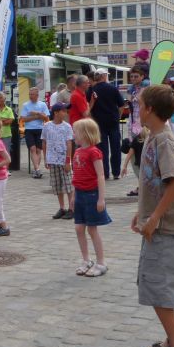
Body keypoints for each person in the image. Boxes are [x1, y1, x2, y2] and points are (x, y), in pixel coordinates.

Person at [132, 84, 174, 347]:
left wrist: (155, 217)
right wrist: (141, 212)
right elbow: (151, 183)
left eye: (140, 103)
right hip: (153, 225)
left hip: (164, 228)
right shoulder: (153, 138)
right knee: (155, 284)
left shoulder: (164, 141)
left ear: (150, 109)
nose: (137, 107)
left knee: (159, 288)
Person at [70, 118, 110, 277]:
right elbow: (76, 175)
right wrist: (73, 195)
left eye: (76, 132)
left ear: (85, 134)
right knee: (79, 228)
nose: (74, 135)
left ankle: (101, 263)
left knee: (92, 229)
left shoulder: (94, 152)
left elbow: (100, 175)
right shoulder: (78, 151)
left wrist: (101, 198)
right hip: (79, 193)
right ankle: (86, 260)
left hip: (92, 194)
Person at [89, 68, 126, 179]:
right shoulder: (113, 89)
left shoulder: (92, 90)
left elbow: (88, 107)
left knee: (102, 150)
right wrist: (118, 116)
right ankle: (116, 173)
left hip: (99, 123)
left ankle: (104, 173)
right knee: (115, 148)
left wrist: (93, 120)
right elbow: (121, 105)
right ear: (104, 76)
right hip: (113, 122)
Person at [43, 102, 74, 220]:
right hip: (52, 160)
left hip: (63, 160)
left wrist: (68, 161)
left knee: (69, 185)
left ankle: (72, 208)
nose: (65, 113)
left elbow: (69, 143)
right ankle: (62, 208)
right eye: (63, 111)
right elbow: (44, 142)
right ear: (56, 113)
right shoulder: (47, 126)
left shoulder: (67, 126)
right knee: (57, 185)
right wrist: (46, 158)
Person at [22, 87, 50, 177]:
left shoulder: (42, 105)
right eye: (29, 94)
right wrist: (37, 116)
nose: (30, 96)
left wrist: (35, 113)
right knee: (32, 149)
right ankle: (37, 169)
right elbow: (24, 119)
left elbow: (46, 118)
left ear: (37, 95)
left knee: (38, 150)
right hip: (29, 130)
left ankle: (36, 170)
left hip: (40, 129)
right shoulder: (26, 105)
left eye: (32, 94)